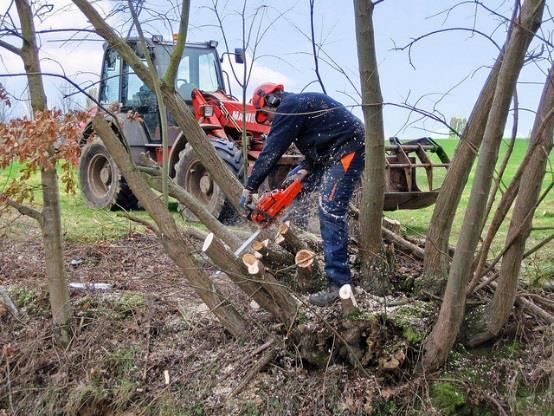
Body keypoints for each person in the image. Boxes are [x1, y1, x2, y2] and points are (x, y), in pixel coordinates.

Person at [240, 83, 365, 306]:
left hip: (349, 149)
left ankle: (339, 284)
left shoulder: (290, 107)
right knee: (292, 181)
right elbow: (320, 139)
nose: (267, 121)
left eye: (265, 116)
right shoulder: (298, 106)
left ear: (271, 101)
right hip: (331, 151)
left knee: (329, 209)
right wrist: (307, 166)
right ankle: (295, 234)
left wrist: (250, 186)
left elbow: (272, 151)